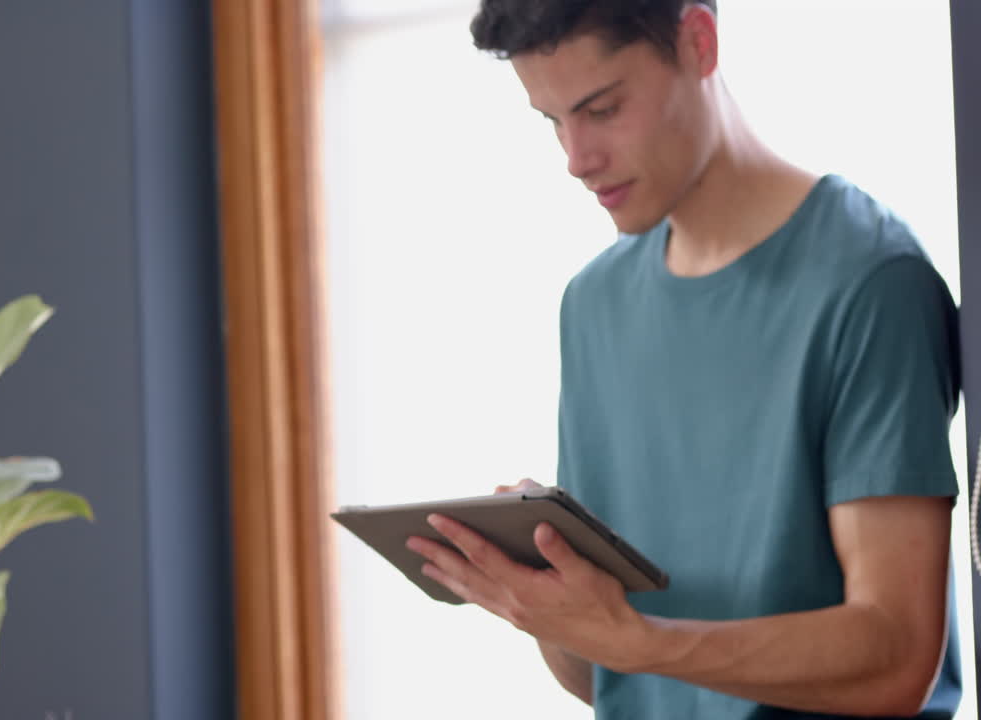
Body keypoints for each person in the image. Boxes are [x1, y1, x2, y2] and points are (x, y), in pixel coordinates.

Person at [404, 1, 964, 718]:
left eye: (601, 110)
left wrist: (637, 641)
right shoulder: (593, 305)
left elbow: (895, 657)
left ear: (698, 43)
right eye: (552, 122)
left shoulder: (870, 284)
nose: (576, 159)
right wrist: (546, 603)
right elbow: (613, 677)